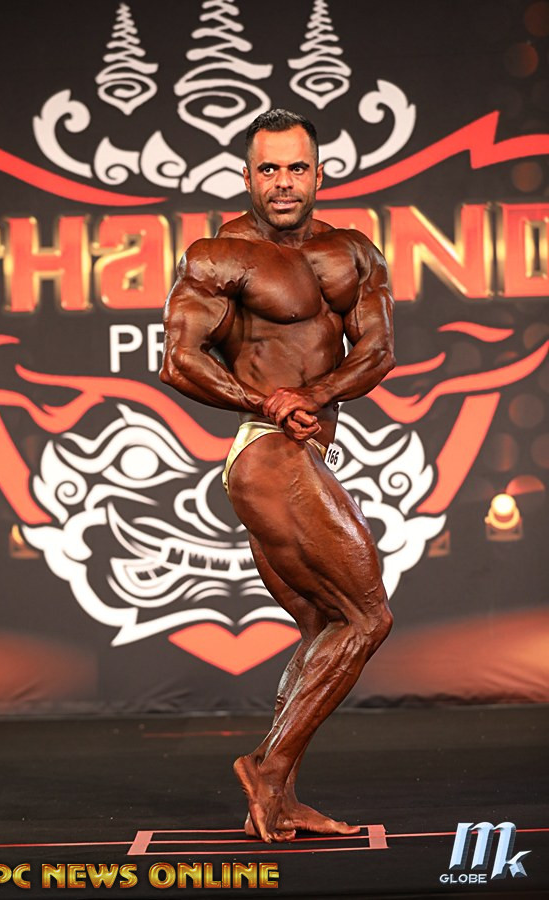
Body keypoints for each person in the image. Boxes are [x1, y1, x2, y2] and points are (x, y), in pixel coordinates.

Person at [160, 109, 395, 843]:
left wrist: (313, 395)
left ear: (320, 174)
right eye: (269, 169)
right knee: (367, 617)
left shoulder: (353, 252)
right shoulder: (220, 254)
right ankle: (268, 769)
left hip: (303, 448)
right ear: (247, 176)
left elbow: (378, 351)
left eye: (296, 167)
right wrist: (268, 401)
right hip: (266, 450)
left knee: (325, 625)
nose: (283, 182)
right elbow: (179, 360)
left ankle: (280, 797)